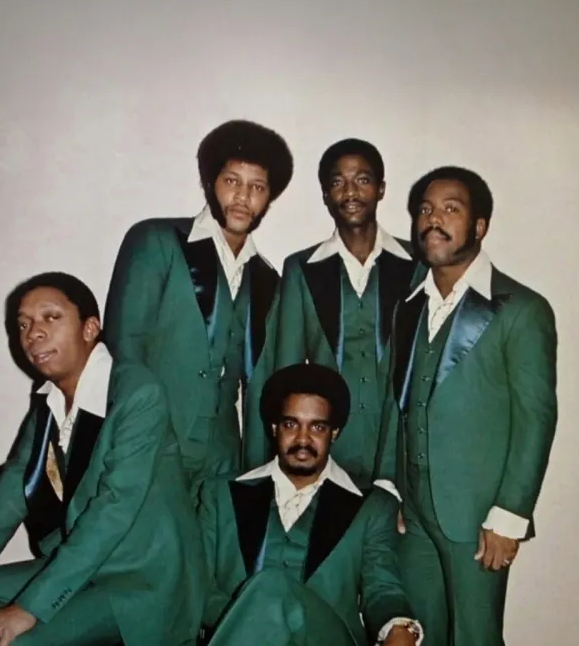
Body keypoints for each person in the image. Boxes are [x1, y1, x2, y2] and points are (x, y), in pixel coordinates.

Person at [0, 272, 205, 646]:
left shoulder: (136, 394)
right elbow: (16, 484)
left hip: (139, 581)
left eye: (50, 317)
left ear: (90, 328)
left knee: (13, 640)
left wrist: (29, 609)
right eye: (23, 324)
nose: (33, 333)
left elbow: (113, 510)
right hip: (79, 568)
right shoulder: (49, 402)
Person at [384, 167, 558, 645]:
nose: (433, 220)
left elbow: (536, 419)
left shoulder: (522, 309)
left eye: (450, 209)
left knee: (475, 637)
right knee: (419, 633)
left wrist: (510, 515)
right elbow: (398, 400)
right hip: (415, 512)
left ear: (480, 226)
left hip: (477, 516)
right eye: (425, 209)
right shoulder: (409, 306)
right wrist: (393, 486)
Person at [102, 119, 292, 491]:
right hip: (150, 443)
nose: (243, 197)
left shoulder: (268, 278)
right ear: (210, 182)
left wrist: (254, 472)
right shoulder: (156, 240)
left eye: (257, 187)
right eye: (232, 181)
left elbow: (261, 384)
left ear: (269, 198)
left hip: (223, 460)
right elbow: (124, 349)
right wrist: (135, 438)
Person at [197, 363, 421, 646]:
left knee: (271, 584)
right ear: (275, 428)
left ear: (334, 433)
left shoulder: (372, 506)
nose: (303, 439)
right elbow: (198, 587)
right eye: (291, 424)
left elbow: (383, 590)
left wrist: (399, 628)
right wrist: (258, 620)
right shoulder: (221, 494)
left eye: (317, 427)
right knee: (270, 588)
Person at [243, 138, 415, 488]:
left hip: (401, 449)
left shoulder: (417, 264)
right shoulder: (302, 268)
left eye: (362, 180)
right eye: (338, 182)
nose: (350, 192)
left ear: (381, 189)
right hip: (326, 452)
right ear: (325, 194)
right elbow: (285, 370)